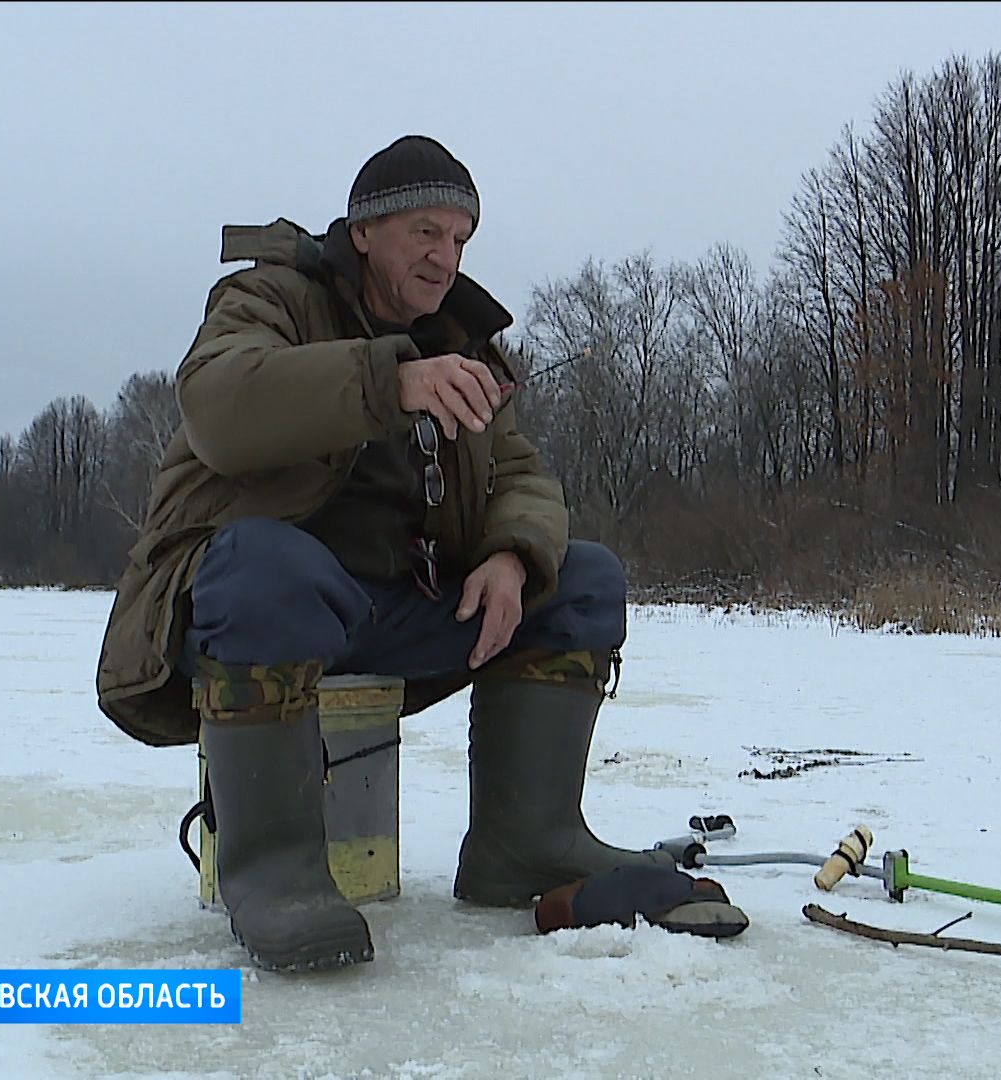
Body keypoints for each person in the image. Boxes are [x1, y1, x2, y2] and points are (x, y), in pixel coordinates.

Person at [94, 135, 686, 972]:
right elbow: (220, 408)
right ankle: (274, 874)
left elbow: (521, 473)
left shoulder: (464, 346)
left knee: (581, 577)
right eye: (425, 233)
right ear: (364, 231)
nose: (446, 258)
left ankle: (524, 842)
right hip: (247, 613)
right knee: (268, 563)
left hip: (397, 613)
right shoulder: (268, 299)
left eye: (460, 239)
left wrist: (512, 555)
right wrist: (390, 381)